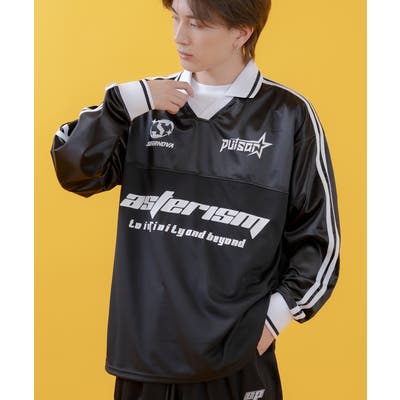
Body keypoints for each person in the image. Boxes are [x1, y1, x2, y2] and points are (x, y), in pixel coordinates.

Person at [50, 0, 341, 399]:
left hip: (235, 362)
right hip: (144, 360)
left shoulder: (288, 116)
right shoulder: (143, 106)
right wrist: (122, 105)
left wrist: (272, 320)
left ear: (242, 32)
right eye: (176, 18)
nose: (179, 36)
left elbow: (319, 242)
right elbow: (75, 172)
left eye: (198, 24)